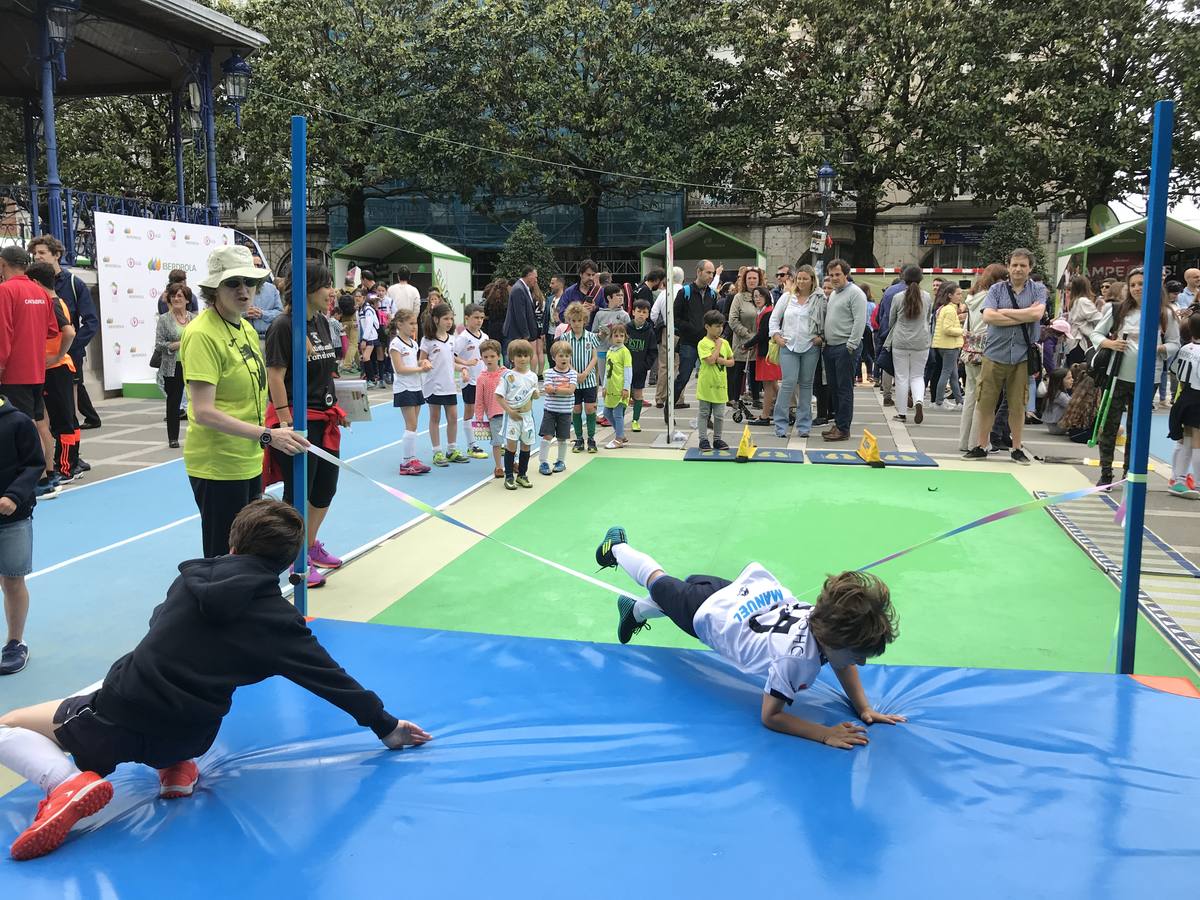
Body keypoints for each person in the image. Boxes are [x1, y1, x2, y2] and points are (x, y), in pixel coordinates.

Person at [0, 499, 432, 861]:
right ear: (287, 562)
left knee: (10, 722)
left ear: (232, 541)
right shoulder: (279, 622)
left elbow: (156, 627)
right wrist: (386, 726)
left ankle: (65, 785)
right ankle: (175, 769)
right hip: (191, 737)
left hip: (113, 724)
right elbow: (330, 678)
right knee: (178, 699)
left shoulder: (189, 580)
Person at [595, 527, 904, 748]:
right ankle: (617, 546)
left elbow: (841, 660)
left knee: (671, 602)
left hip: (738, 593)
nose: (860, 663)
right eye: (858, 655)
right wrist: (825, 733)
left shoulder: (826, 621)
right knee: (657, 581)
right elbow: (771, 717)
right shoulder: (796, 660)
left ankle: (633, 612)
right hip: (708, 614)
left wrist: (864, 707)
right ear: (833, 642)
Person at [180, 246, 307, 558]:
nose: (243, 290)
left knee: (249, 550)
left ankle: (241, 604)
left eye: (249, 282)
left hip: (248, 459)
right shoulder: (202, 334)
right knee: (223, 556)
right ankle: (216, 607)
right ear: (214, 289)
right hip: (218, 465)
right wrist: (267, 434)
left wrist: (275, 427)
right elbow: (204, 412)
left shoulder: (247, 328)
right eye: (232, 283)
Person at [264, 261, 346, 588]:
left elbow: (327, 371)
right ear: (309, 288)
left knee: (325, 489)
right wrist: (285, 419)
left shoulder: (323, 323)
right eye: (326, 284)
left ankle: (310, 544)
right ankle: (295, 558)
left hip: (325, 417)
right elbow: (275, 374)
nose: (332, 291)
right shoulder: (285, 326)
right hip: (300, 421)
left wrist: (343, 405)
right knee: (298, 493)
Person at [1089, 268, 1180, 489]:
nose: (1138, 288)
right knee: (1109, 425)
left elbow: (1174, 344)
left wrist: (1158, 348)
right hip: (1117, 374)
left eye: (1142, 283)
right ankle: (1106, 472)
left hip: (1148, 378)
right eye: (1133, 285)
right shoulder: (1118, 310)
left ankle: (1129, 472)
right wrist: (1110, 343)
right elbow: (1096, 334)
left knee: (1136, 428)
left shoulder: (1165, 314)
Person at [963, 249, 1047, 465]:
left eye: (1023, 265)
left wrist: (1005, 313)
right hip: (994, 352)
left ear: (1030, 268)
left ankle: (1016, 448)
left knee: (1018, 405)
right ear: (1008, 266)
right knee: (986, 402)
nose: (1018, 269)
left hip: (1022, 355)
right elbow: (989, 316)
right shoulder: (996, 289)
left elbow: (1037, 315)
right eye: (1015, 265)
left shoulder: (1038, 290)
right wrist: (1024, 315)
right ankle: (981, 445)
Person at [27, 235, 100, 432]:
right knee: (47, 411)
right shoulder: (32, 285)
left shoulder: (74, 283)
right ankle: (57, 453)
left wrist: (68, 349)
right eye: (35, 254)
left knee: (69, 411)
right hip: (42, 358)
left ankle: (73, 456)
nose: (37, 257)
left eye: (42, 253)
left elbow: (91, 322)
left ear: (57, 254)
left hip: (68, 357)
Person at [0, 396, 42, 675]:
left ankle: (15, 642)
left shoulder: (18, 422)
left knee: (13, 580)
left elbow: (34, 465)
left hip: (12, 518)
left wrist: (14, 496)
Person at [24, 264, 75, 492]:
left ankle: (65, 467)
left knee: (59, 421)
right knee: (57, 420)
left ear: (35, 283)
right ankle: (64, 465)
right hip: (56, 367)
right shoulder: (59, 301)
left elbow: (70, 332)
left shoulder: (51, 303)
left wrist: (57, 356)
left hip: (55, 368)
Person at [0, 247, 60, 432]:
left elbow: (4, 332)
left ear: (3, 264)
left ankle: (34, 461)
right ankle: (44, 462)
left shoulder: (5, 290)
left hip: (14, 371)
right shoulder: (40, 291)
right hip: (36, 369)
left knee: (24, 426)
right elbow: (52, 330)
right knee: (37, 421)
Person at [770, 266, 825, 439]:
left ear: (812, 280)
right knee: (788, 383)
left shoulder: (819, 298)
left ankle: (804, 426)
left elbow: (826, 320)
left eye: (804, 279)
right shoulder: (787, 298)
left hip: (810, 346)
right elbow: (774, 319)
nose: (801, 282)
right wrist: (776, 336)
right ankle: (780, 424)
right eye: (798, 278)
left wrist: (821, 338)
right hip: (789, 346)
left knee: (806, 385)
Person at [820, 260, 867, 442]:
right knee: (834, 388)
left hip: (845, 348)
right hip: (831, 347)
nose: (834, 278)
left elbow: (859, 321)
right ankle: (839, 424)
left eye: (837, 275)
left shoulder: (855, 293)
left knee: (844, 389)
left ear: (845, 274)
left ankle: (843, 429)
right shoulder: (834, 294)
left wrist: (851, 346)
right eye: (831, 275)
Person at [420, 302, 470, 467]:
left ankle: (452, 449)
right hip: (434, 385)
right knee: (435, 418)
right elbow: (421, 360)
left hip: (449, 385)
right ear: (436, 319)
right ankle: (437, 451)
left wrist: (462, 368)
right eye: (445, 318)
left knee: (453, 417)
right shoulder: (427, 340)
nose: (449, 322)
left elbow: (450, 363)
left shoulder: (452, 340)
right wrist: (425, 362)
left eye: (451, 318)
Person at [387, 309, 433, 476]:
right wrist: (421, 369)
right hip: (404, 388)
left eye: (415, 323)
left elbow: (416, 361)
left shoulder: (413, 343)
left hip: (416, 387)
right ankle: (406, 462)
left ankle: (412, 459)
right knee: (411, 425)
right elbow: (400, 369)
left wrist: (425, 362)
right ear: (400, 324)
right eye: (411, 323)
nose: (415, 327)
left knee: (414, 426)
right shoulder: (395, 344)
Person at [885, 265, 931, 425]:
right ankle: (918, 400)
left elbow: (891, 320)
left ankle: (902, 413)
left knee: (902, 377)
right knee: (918, 375)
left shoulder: (898, 297)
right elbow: (928, 318)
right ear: (921, 279)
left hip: (901, 341)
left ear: (903, 278)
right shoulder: (927, 297)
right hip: (921, 341)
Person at [672, 261, 719, 408]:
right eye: (708, 272)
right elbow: (675, 317)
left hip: (707, 343)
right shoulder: (684, 292)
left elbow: (715, 316)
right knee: (683, 377)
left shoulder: (712, 294)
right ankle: (670, 408)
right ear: (699, 271)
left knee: (710, 379)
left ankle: (707, 415)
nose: (711, 276)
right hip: (689, 343)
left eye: (712, 273)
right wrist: (690, 328)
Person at [155, 283, 196, 449]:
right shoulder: (164, 319)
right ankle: (173, 437)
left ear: (187, 299)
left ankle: (197, 435)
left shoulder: (194, 319)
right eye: (173, 296)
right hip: (172, 366)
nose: (176, 299)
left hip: (192, 364)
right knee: (174, 403)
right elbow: (159, 344)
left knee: (196, 401)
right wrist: (177, 344)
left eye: (179, 296)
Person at [496, 339, 539, 489]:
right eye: (519, 355)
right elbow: (499, 396)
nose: (523, 358)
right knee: (511, 446)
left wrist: (535, 395)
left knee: (526, 446)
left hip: (527, 417)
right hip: (513, 416)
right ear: (512, 358)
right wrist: (510, 412)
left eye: (526, 355)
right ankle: (509, 476)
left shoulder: (533, 376)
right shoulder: (508, 376)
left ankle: (522, 475)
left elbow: (534, 392)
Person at [1167, 311, 1200, 498]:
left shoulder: (1186, 348)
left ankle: (1178, 479)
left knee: (1186, 439)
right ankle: (1197, 483)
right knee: (1197, 441)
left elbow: (1175, 371)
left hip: (1184, 396)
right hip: (1197, 398)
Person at [563, 301, 601, 453]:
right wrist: (575, 373)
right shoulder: (565, 338)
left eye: (580, 320)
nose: (577, 323)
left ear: (585, 321)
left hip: (589, 379)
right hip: (573, 381)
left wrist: (585, 372)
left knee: (590, 409)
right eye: (574, 320)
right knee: (576, 409)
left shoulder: (591, 337)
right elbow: (564, 358)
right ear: (569, 321)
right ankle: (579, 439)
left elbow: (594, 357)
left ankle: (591, 438)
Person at [592, 283, 631, 426]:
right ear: (609, 297)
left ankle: (616, 412)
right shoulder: (599, 314)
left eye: (622, 295)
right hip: (603, 352)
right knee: (605, 382)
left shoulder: (624, 315)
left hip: (619, 354)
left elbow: (629, 334)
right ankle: (606, 413)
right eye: (618, 296)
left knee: (618, 382)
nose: (621, 298)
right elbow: (594, 333)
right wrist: (602, 333)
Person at [454, 303, 490, 459]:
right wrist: (464, 367)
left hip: (485, 379)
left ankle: (494, 441)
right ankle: (471, 446)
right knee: (470, 411)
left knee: (488, 411)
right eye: (476, 317)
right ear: (467, 318)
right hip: (470, 380)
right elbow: (452, 355)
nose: (479, 321)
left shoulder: (485, 337)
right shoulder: (463, 338)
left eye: (482, 318)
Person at [696, 309, 734, 451]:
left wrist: (720, 359)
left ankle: (717, 439)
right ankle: (703, 439)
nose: (720, 329)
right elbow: (710, 360)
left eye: (721, 326)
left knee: (719, 415)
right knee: (704, 413)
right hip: (707, 384)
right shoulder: (703, 343)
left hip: (720, 384)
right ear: (707, 327)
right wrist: (717, 347)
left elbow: (731, 361)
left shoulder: (725, 343)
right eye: (716, 326)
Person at [742, 287, 780, 426]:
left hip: (766, 353)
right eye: (755, 296)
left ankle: (765, 416)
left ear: (766, 297)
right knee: (773, 384)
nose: (757, 299)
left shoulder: (767, 313)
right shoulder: (765, 311)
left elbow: (763, 334)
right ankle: (787, 410)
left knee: (768, 384)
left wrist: (747, 344)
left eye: (759, 296)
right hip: (766, 352)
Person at [728, 267, 765, 409]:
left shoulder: (764, 296)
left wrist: (758, 338)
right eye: (749, 278)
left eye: (754, 278)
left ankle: (756, 398)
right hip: (742, 341)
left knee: (756, 371)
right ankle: (735, 399)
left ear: (759, 280)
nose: (752, 280)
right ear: (744, 280)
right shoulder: (738, 297)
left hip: (758, 341)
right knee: (739, 371)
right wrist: (749, 336)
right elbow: (733, 320)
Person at [539, 340, 577, 475]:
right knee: (547, 436)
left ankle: (561, 461)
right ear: (554, 357)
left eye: (567, 355)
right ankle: (543, 462)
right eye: (561, 356)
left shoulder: (573, 373)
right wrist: (561, 389)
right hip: (550, 410)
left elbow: (570, 390)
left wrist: (554, 389)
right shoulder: (548, 373)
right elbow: (547, 389)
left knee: (562, 438)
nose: (564, 358)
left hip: (565, 411)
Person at [474, 340, 508, 479]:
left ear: (499, 356)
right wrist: (479, 416)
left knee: (512, 440)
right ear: (481, 357)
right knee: (497, 442)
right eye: (486, 357)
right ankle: (499, 466)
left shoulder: (506, 373)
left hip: (509, 412)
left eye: (492, 356)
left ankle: (514, 462)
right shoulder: (481, 378)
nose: (489, 359)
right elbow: (479, 399)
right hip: (494, 415)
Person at [652, 265, 685, 407]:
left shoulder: (663, 293)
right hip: (681, 331)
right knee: (678, 365)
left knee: (663, 365)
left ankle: (660, 397)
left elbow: (653, 314)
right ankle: (677, 398)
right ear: (682, 278)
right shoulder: (685, 292)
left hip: (666, 331)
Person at [931, 281, 965, 408]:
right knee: (946, 374)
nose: (960, 296)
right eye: (958, 294)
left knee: (953, 375)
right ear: (950, 295)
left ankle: (959, 401)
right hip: (950, 346)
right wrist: (963, 332)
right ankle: (939, 401)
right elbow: (947, 329)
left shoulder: (945, 308)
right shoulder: (950, 310)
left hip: (944, 345)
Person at [625, 299, 657, 433]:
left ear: (648, 314)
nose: (641, 315)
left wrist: (645, 366)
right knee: (624, 395)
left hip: (640, 369)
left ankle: (635, 420)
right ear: (633, 312)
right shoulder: (626, 328)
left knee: (638, 394)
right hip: (624, 369)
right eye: (638, 311)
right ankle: (619, 419)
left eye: (644, 312)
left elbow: (653, 351)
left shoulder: (650, 332)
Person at [602, 322, 633, 449]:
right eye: (616, 335)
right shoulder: (610, 351)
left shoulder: (625, 352)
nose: (619, 338)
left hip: (620, 389)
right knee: (607, 412)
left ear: (625, 337)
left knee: (617, 413)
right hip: (610, 388)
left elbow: (628, 370)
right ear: (611, 337)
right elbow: (606, 371)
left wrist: (626, 387)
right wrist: (604, 386)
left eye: (621, 335)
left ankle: (619, 438)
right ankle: (621, 433)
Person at [504, 266, 540, 361]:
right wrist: (525, 335)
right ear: (528, 275)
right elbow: (520, 314)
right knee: (514, 360)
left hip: (517, 333)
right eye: (535, 277)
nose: (536, 280)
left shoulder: (522, 288)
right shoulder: (519, 289)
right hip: (515, 333)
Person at [356, 292, 383, 387]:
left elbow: (369, 325)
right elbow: (360, 326)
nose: (357, 298)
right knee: (365, 358)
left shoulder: (368, 309)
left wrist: (364, 339)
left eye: (359, 296)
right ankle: (370, 379)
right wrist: (360, 340)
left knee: (366, 357)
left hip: (370, 337)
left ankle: (372, 380)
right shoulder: (360, 309)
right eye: (355, 296)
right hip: (365, 337)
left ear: (363, 297)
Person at [1042, 367, 1073, 435]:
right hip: (1058, 428)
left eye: (1071, 377)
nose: (1072, 380)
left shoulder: (1055, 392)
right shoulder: (1060, 395)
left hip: (1054, 427)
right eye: (1069, 378)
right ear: (1060, 381)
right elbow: (1072, 405)